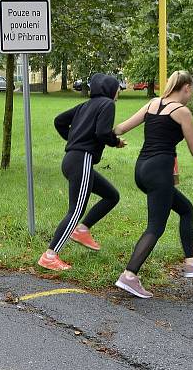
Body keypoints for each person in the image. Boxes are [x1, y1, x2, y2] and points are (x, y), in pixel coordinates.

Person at [113, 71, 193, 298]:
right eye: (191, 90)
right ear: (185, 88)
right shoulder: (182, 112)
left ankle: (191, 261)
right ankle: (129, 275)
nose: (191, 95)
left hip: (142, 169)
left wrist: (109, 139)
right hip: (158, 172)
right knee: (156, 226)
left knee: (186, 209)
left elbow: (121, 128)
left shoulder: (153, 104)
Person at [37, 73, 126, 271]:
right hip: (82, 160)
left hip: (71, 160)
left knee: (111, 195)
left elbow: (59, 121)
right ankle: (50, 255)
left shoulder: (85, 105)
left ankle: (82, 230)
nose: (119, 92)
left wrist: (73, 140)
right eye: (118, 89)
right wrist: (116, 142)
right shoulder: (107, 105)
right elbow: (102, 133)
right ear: (111, 90)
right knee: (76, 210)